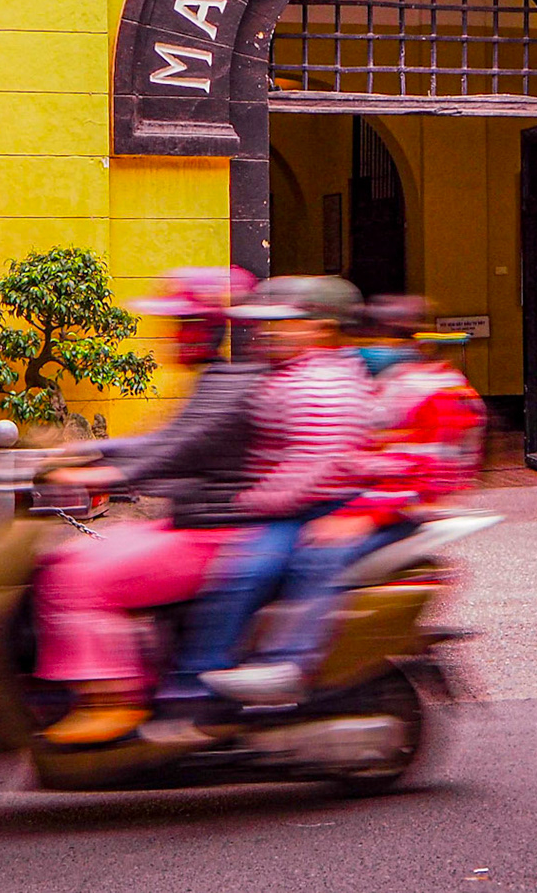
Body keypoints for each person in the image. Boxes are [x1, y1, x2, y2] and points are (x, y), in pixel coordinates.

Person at [205, 295, 486, 706]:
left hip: (402, 510)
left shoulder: (437, 391)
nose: (370, 349)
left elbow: (422, 475)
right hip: (369, 500)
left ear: (410, 342)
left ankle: (290, 662)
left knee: (319, 556)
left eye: (383, 340)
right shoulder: (386, 384)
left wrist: (361, 518)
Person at [27, 267, 266, 746]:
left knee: (78, 579)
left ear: (205, 329)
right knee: (65, 558)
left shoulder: (231, 385)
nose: (174, 337)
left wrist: (105, 474)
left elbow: (178, 449)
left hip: (216, 537)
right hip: (190, 528)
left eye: (183, 326)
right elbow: (165, 440)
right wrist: (81, 452)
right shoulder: (217, 379)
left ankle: (115, 699)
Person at [149, 275, 373, 735]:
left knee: (246, 570)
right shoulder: (286, 372)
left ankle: (205, 681)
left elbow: (317, 462)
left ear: (322, 329)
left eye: (287, 324)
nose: (270, 332)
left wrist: (256, 498)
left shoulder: (325, 381)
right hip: (291, 502)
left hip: (313, 505)